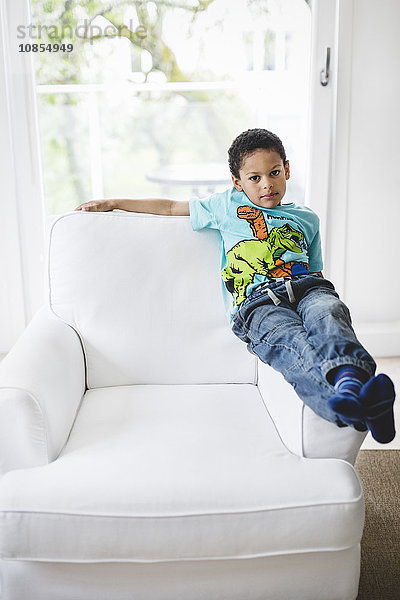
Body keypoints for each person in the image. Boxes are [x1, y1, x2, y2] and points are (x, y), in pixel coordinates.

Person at [75, 128, 396, 444]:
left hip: (307, 287)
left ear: (287, 169)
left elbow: (314, 268)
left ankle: (350, 383)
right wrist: (113, 202)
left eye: (273, 173)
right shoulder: (225, 206)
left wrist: (314, 294)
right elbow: (172, 207)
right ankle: (361, 410)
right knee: (291, 343)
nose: (267, 183)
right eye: (254, 178)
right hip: (257, 305)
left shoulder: (307, 218)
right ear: (237, 182)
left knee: (329, 312)